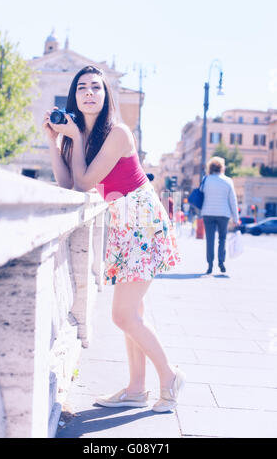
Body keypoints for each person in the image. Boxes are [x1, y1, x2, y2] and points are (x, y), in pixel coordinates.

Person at [42, 65, 185, 413]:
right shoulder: (81, 139)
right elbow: (67, 185)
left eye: (96, 87)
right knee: (133, 311)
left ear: (106, 96)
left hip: (141, 220)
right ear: (74, 96)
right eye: (82, 88)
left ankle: (169, 377)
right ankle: (136, 389)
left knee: (122, 315)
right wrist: (54, 141)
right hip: (122, 222)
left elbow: (86, 182)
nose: (89, 92)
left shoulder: (118, 133)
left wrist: (74, 139)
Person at [201, 156, 240, 274]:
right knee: (222, 239)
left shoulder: (206, 179)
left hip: (208, 213)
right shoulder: (228, 181)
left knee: (210, 239)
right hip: (224, 213)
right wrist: (236, 218)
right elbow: (233, 200)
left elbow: (201, 193)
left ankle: (210, 265)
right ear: (222, 167)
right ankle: (221, 262)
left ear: (210, 167)